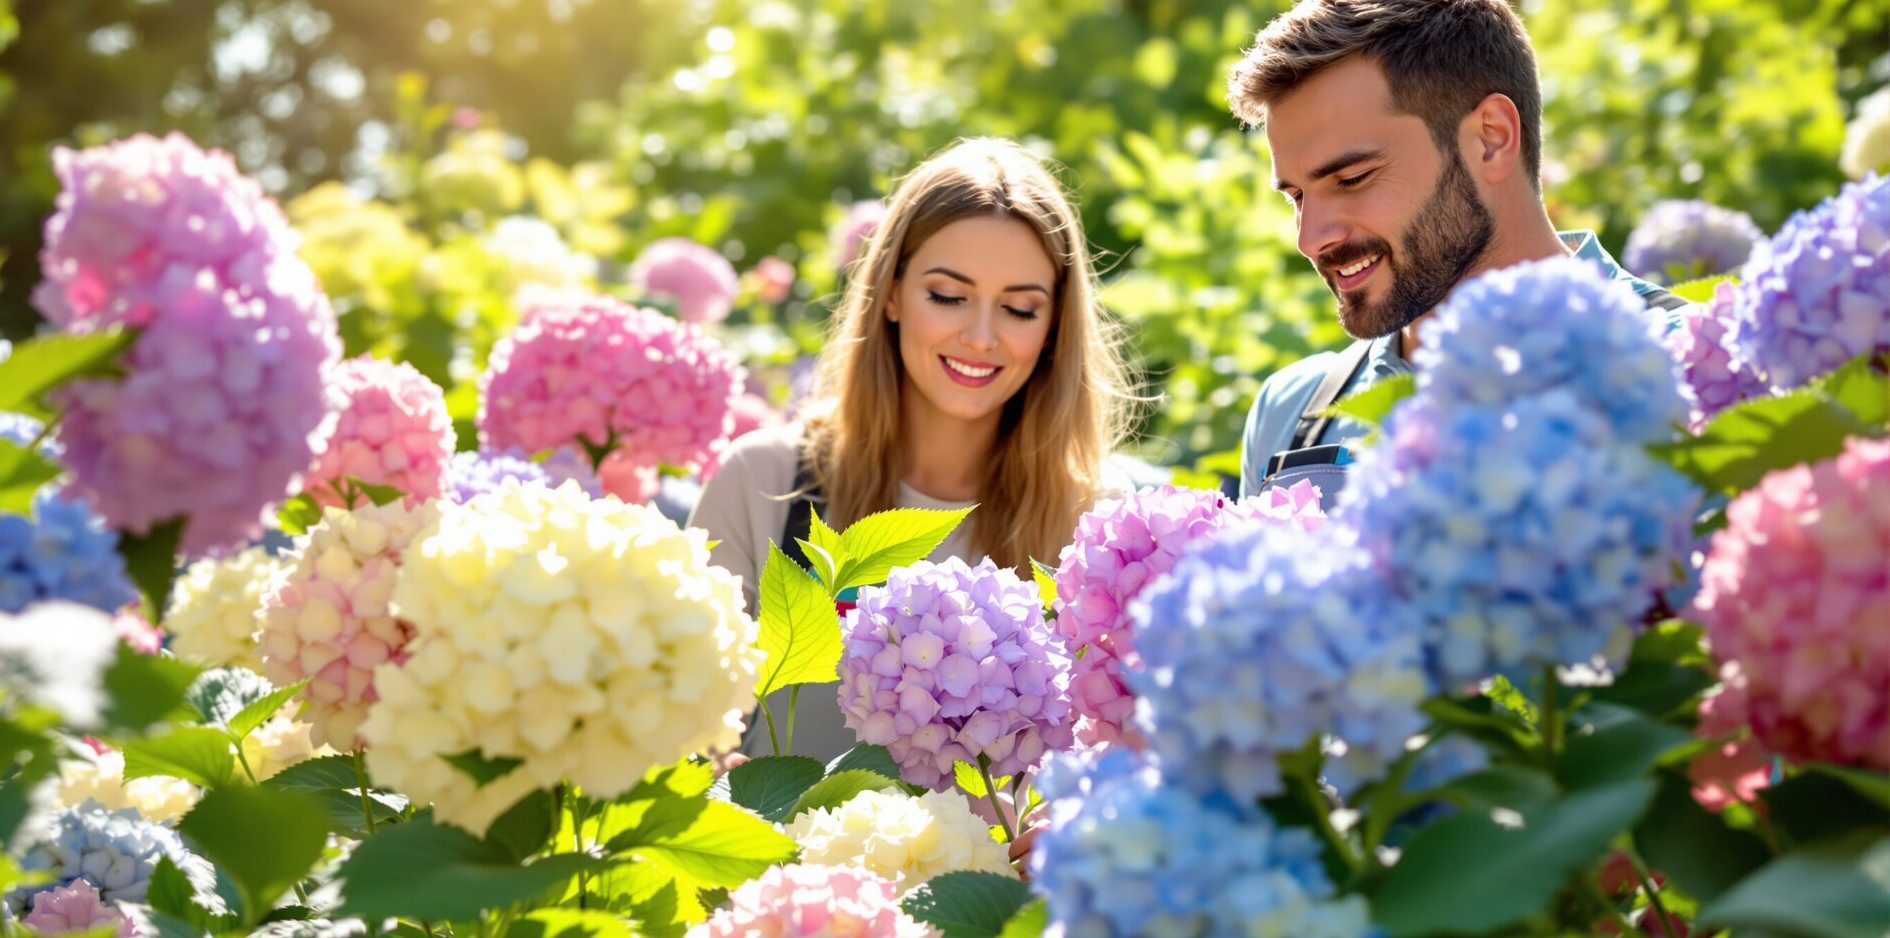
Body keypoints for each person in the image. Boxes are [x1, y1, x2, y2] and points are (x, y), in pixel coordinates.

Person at [690, 137, 1139, 762]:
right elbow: (682, 736)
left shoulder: (1101, 524)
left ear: (1054, 326)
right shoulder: (765, 480)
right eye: (948, 297)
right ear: (893, 293)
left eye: (1019, 308)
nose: (981, 337)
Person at [1230, 0, 1689, 503]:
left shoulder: (1690, 370)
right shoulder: (1293, 413)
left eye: (1352, 178)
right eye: (1296, 196)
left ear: (1491, 139)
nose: (1310, 238)